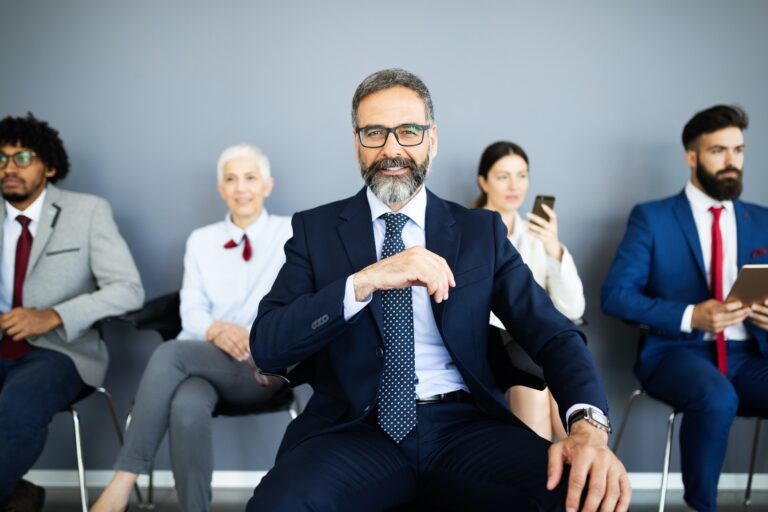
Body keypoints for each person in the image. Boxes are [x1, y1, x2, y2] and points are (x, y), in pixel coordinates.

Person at [247, 69, 630, 512]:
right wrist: (365, 280)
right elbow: (269, 346)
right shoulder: (315, 231)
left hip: (464, 427)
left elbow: (553, 334)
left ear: (432, 139)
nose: (392, 149)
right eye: (375, 132)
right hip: (354, 430)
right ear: (356, 143)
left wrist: (587, 428)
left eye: (408, 131)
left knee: (578, 492)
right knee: (280, 505)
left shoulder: (478, 232)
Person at [91, 144, 291, 512]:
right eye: (231, 179)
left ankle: (121, 484)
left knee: (170, 353)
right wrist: (216, 330)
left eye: (250, 178)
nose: (241, 187)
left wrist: (252, 333)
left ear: (268, 185)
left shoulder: (290, 234)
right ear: (220, 189)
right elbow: (192, 309)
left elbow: (297, 305)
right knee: (186, 404)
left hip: (262, 366)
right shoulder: (201, 240)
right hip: (206, 359)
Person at [602, 105, 768, 512]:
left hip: (749, 354)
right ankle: (701, 507)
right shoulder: (652, 218)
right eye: (718, 151)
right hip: (675, 353)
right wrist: (692, 316)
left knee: (725, 392)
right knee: (717, 397)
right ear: (691, 156)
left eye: (738, 150)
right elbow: (616, 295)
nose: (732, 162)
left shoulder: (762, 220)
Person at [0, 113, 144, 511]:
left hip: (61, 352)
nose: (9, 167)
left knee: (16, 405)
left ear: (48, 165)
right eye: (1, 159)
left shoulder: (87, 212)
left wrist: (53, 315)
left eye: (22, 157)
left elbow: (128, 289)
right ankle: (17, 492)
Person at [473, 141, 586, 441]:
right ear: (483, 181)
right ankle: (540, 475)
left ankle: (573, 477)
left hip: (532, 346)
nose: (514, 186)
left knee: (562, 379)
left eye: (522, 176)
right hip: (490, 347)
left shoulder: (537, 236)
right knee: (539, 383)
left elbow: (574, 309)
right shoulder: (466, 233)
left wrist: (554, 249)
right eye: (502, 176)